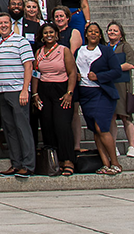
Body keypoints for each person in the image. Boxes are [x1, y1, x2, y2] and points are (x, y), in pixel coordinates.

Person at [75, 21, 125, 174]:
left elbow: (116, 71)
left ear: (100, 34)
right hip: (85, 94)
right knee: (95, 130)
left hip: (101, 93)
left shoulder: (105, 51)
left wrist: (99, 76)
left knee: (101, 127)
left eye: (96, 32)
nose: (93, 34)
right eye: (91, 31)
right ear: (86, 34)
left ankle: (115, 163)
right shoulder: (79, 51)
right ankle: (105, 164)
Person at [0, 12, 36, 179]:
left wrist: (25, 89)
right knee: (9, 130)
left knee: (22, 128)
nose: (3, 25)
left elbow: (28, 67)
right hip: (2, 92)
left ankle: (28, 165)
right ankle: (16, 163)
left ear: (11, 24)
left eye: (6, 23)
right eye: (0, 23)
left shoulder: (21, 41)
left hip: (18, 91)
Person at [31, 23, 78, 175]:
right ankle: (53, 161)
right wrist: (35, 93)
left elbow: (72, 73)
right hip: (44, 90)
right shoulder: (39, 52)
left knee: (62, 125)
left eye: (51, 32)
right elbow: (36, 74)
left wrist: (69, 93)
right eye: (46, 33)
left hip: (62, 90)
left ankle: (68, 160)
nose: (49, 35)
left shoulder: (64, 51)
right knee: (47, 125)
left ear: (57, 34)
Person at [105, 21, 134, 158]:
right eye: (110, 30)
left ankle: (132, 146)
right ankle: (113, 146)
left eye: (115, 30)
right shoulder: (105, 47)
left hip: (122, 85)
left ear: (120, 33)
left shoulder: (125, 47)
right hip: (109, 85)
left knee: (126, 117)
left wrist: (114, 69)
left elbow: (131, 64)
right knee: (112, 117)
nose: (112, 32)